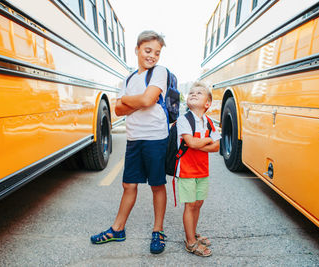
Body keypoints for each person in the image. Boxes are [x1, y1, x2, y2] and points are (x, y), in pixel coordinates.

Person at [90, 30, 169, 254]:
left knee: (156, 184)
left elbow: (147, 99)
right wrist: (136, 101)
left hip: (155, 137)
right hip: (134, 138)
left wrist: (127, 99)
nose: (152, 56)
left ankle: (158, 231)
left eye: (157, 52)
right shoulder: (127, 79)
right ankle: (118, 229)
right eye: (147, 50)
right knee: (129, 185)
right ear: (136, 49)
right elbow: (117, 109)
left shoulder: (159, 72)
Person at [175, 81, 221, 257]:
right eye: (191, 93)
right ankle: (190, 242)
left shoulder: (208, 121)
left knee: (199, 203)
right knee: (190, 204)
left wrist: (200, 144)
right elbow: (191, 142)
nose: (193, 94)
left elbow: (217, 147)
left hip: (202, 170)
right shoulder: (184, 119)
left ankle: (192, 232)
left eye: (199, 93)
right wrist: (207, 140)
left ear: (207, 103)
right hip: (186, 170)